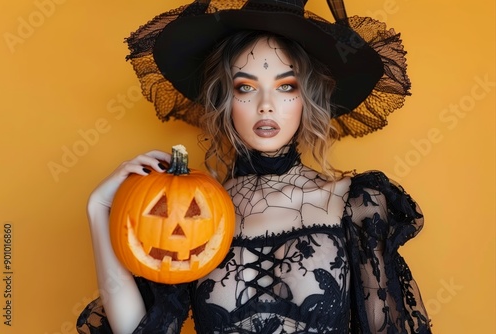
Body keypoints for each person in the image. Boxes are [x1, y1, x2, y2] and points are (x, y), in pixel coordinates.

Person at [77, 0, 432, 333]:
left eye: (285, 86)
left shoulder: (358, 203)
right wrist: (98, 208)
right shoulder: (190, 214)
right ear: (226, 99)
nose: (266, 105)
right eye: (246, 87)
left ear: (307, 98)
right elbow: (135, 328)